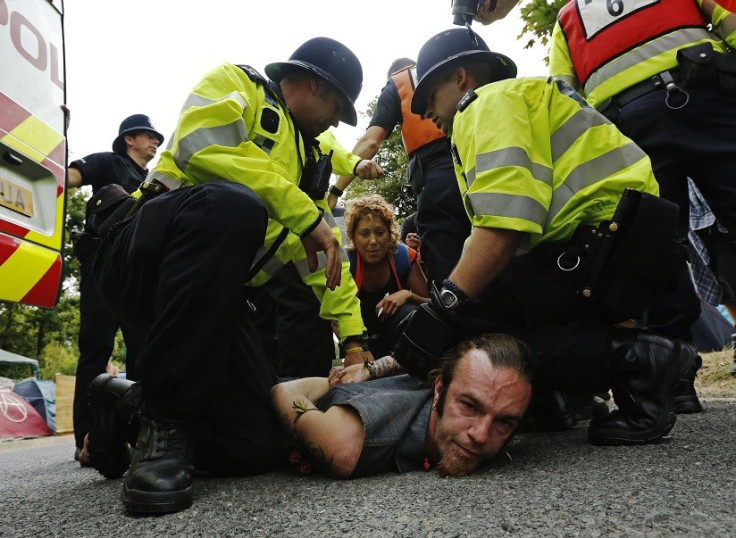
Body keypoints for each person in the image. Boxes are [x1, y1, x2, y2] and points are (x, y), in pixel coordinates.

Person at [87, 36, 381, 515]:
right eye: (336, 110)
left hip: (211, 304)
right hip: (140, 261)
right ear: (312, 84)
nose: (335, 124)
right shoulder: (237, 84)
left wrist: (353, 340)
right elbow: (203, 148)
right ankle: (167, 422)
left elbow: (324, 267)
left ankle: (125, 405)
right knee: (235, 205)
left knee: (256, 446)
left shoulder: (308, 169)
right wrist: (303, 215)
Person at [396, 28, 699, 448]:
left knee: (475, 314)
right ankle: (564, 395)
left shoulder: (484, 105)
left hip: (602, 244)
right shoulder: (527, 97)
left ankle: (640, 361)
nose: (425, 112)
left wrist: (445, 308)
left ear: (460, 77)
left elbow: (502, 227)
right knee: (498, 294)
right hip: (626, 243)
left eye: (428, 95)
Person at [547, 0, 736, 407]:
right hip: (707, 98)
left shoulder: (568, 18)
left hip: (629, 128)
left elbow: (564, 96)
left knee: (654, 248)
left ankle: (671, 379)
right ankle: (672, 374)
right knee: (655, 249)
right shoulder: (565, 19)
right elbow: (729, 20)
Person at [272, 332, 532, 478]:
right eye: (470, 406)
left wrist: (373, 370)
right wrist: (335, 384)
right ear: (439, 391)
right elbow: (284, 390)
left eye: (504, 421)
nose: (480, 435)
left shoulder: (469, 388)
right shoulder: (345, 443)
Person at [67, 114, 163, 465]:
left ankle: (138, 434)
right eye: (149, 136)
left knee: (143, 350)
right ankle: (88, 441)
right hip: (102, 268)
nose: (155, 141)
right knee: (96, 349)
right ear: (129, 139)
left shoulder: (154, 179)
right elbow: (69, 176)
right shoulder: (110, 163)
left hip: (139, 273)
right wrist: (51, 136)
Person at [328, 57, 470, 283]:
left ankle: (451, 314)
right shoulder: (450, 72)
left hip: (439, 183)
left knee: (444, 262)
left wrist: (336, 190)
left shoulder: (399, 84)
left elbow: (371, 143)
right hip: (475, 171)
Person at [343, 195, 429, 361]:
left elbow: (431, 304)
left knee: (409, 311)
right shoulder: (346, 264)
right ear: (353, 237)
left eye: (380, 232)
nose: (373, 241)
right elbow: (335, 317)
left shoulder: (403, 257)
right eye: (364, 233)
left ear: (390, 234)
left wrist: (408, 295)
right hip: (359, 342)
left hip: (397, 343)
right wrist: (355, 349)